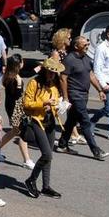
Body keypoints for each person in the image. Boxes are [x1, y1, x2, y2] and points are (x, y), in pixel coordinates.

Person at [56, 36, 109, 160]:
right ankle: (96, 151)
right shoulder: (69, 59)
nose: (87, 46)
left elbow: (91, 75)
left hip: (84, 95)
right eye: (84, 45)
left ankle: (62, 145)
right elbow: (63, 79)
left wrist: (100, 90)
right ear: (76, 46)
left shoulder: (86, 58)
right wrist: (65, 97)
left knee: (71, 121)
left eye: (87, 44)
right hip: (75, 95)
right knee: (85, 122)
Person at [22, 58, 64, 199]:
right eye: (50, 72)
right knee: (47, 154)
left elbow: (56, 100)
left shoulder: (54, 84)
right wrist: (43, 103)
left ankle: (46, 186)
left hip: (50, 121)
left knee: (49, 157)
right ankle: (31, 180)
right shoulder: (34, 83)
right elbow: (26, 104)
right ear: (45, 70)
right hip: (36, 121)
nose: (53, 74)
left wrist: (57, 106)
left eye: (55, 72)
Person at [0, 54, 35, 169]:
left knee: (15, 131)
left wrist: (37, 68)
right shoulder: (17, 80)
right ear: (18, 65)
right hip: (17, 108)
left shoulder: (8, 76)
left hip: (10, 106)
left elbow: (25, 74)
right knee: (23, 132)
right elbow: (18, 97)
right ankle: (27, 160)